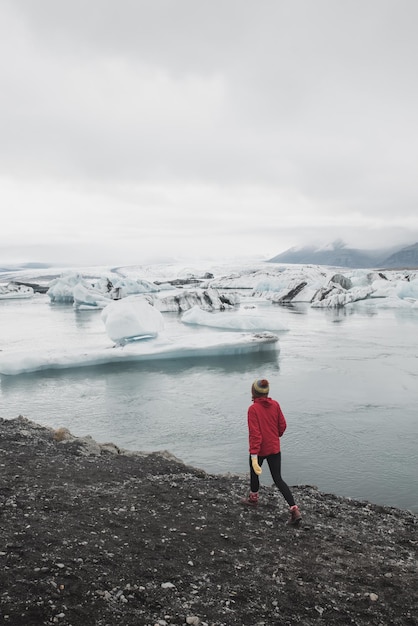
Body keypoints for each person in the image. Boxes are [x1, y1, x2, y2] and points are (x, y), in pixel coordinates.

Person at [242, 378, 302, 525]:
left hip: (260, 449)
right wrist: (276, 436)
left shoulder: (253, 409)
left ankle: (253, 499)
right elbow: (283, 425)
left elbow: (255, 434)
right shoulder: (275, 405)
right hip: (274, 448)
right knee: (278, 479)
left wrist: (254, 454)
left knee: (254, 472)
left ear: (253, 392)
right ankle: (294, 509)